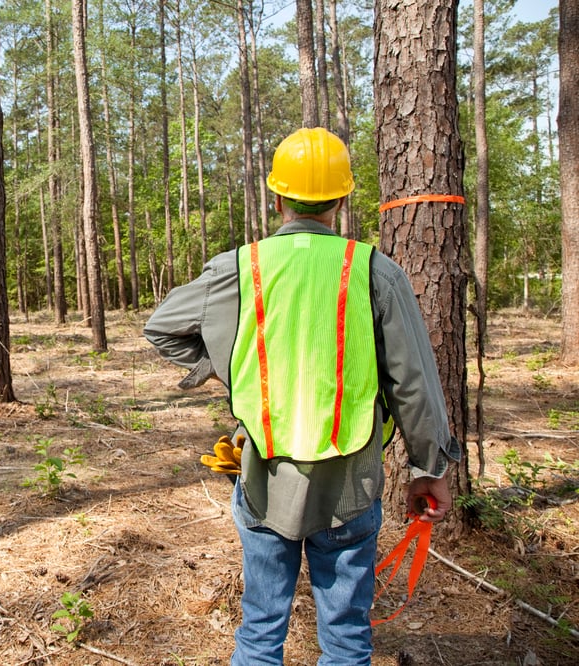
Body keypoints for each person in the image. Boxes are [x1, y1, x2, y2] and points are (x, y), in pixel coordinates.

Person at [143, 127, 461, 665]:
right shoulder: (374, 272)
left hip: (265, 478)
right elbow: (415, 382)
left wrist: (225, 370)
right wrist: (429, 469)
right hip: (351, 487)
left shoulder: (238, 269)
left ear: (277, 197)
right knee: (345, 637)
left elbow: (163, 326)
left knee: (262, 629)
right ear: (342, 198)